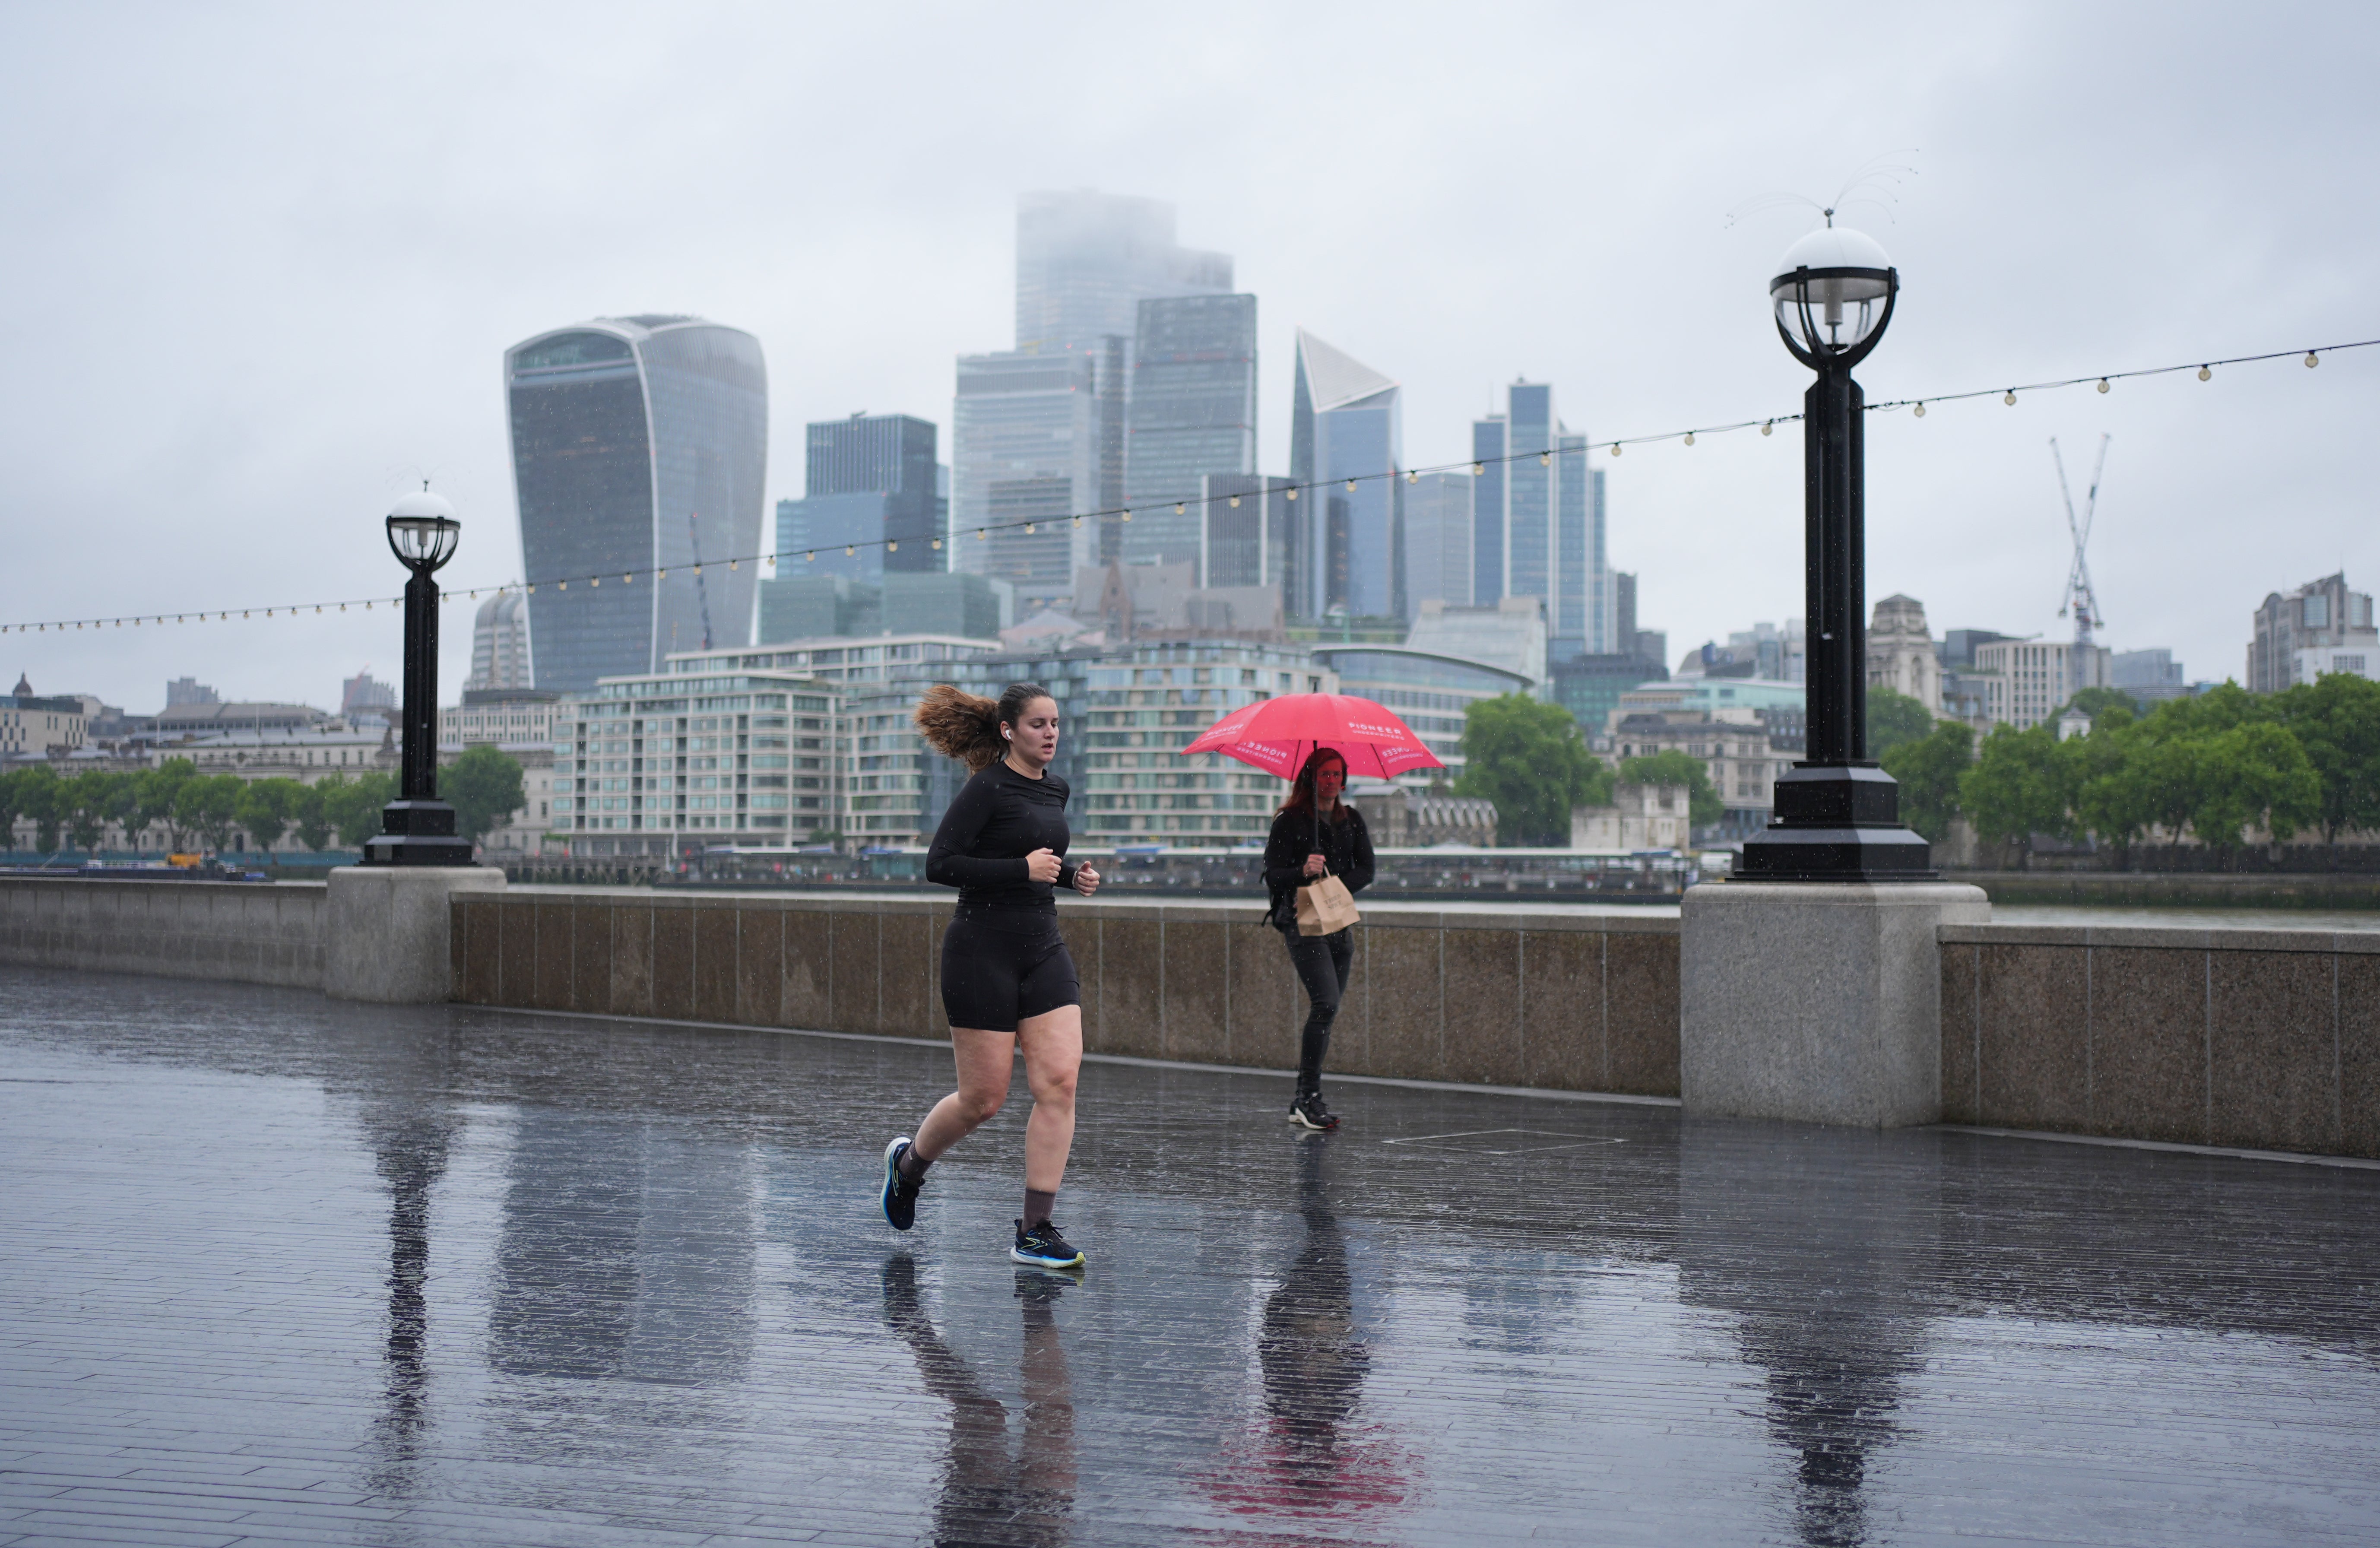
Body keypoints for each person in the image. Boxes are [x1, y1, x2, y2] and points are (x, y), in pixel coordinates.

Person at [881, 682, 1101, 1269]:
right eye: (1038, 724)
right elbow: (940, 864)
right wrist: (1021, 869)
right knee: (983, 1099)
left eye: (1055, 723)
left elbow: (1034, 859)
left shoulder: (1055, 788)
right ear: (1009, 730)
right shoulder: (986, 787)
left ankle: (1035, 1229)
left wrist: (1068, 877)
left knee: (1060, 1082)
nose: (1051, 733)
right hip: (981, 950)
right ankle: (909, 1166)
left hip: (1043, 947)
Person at [1261, 747, 1374, 1131]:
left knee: (1329, 1010)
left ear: (1344, 779)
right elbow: (1272, 875)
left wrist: (1332, 886)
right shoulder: (1290, 821)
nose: (1331, 781)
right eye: (1324, 774)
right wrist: (1303, 871)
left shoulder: (1351, 819)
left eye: (1337, 774)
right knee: (1324, 1003)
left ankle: (1305, 1097)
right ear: (1310, 778)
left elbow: (1367, 869)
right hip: (1302, 921)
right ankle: (1308, 1096)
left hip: (1338, 920)